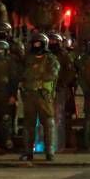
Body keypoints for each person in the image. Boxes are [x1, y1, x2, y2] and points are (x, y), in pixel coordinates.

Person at [19, 33, 60, 161]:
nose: (36, 45)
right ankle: (28, 151)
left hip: (43, 94)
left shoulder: (50, 58)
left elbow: (52, 74)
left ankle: (50, 151)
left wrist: (36, 78)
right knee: (28, 125)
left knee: (48, 123)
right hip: (29, 94)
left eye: (39, 43)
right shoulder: (28, 58)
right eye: (34, 43)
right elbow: (22, 73)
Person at [49, 32, 77, 148]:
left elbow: (70, 72)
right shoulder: (46, 55)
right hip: (49, 87)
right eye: (51, 41)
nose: (53, 43)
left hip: (62, 89)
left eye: (55, 41)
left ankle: (66, 140)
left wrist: (63, 84)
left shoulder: (65, 55)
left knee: (65, 115)